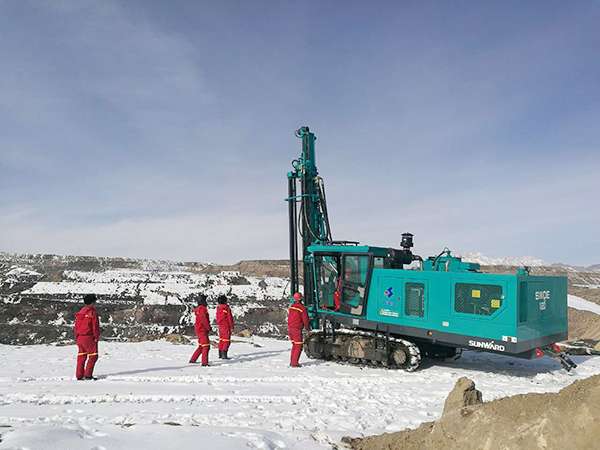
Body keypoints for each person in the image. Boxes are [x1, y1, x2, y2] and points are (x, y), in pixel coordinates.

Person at [74, 294, 101, 380]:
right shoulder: (92, 313)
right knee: (93, 356)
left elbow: (76, 326)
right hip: (88, 337)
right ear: (92, 303)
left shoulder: (80, 313)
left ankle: (79, 375)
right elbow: (95, 326)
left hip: (79, 338)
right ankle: (88, 374)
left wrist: (77, 336)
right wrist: (96, 337)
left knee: (82, 356)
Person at [287, 292, 310, 367]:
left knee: (294, 345)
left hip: (290, 329)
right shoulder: (302, 308)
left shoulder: (292, 307)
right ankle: (294, 363)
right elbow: (305, 320)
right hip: (296, 329)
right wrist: (307, 329)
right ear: (301, 299)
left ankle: (292, 361)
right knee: (299, 346)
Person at [189, 294, 211, 366]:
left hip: (199, 329)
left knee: (201, 346)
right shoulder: (202, 309)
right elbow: (204, 320)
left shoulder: (199, 309)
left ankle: (193, 359)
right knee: (206, 346)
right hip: (202, 329)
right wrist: (208, 327)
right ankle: (204, 363)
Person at [216, 295, 234, 359]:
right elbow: (229, 318)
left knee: (221, 340)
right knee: (226, 340)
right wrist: (231, 327)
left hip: (220, 326)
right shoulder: (226, 308)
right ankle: (224, 354)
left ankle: (220, 354)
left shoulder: (218, 308)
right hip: (226, 326)